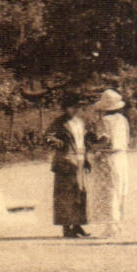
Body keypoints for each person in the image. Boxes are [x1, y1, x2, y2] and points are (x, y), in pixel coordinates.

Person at [86, 89, 130, 239]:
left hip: (109, 157)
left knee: (108, 190)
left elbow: (105, 140)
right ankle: (118, 223)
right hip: (121, 156)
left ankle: (111, 225)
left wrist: (93, 147)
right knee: (119, 189)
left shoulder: (105, 122)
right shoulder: (122, 119)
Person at [46, 94, 90, 238]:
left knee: (80, 192)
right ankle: (66, 226)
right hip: (65, 161)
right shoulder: (59, 122)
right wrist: (59, 143)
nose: (75, 110)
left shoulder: (80, 122)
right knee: (65, 194)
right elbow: (48, 137)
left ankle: (78, 224)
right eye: (72, 107)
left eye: (77, 107)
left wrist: (87, 158)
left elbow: (84, 141)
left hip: (79, 159)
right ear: (65, 108)